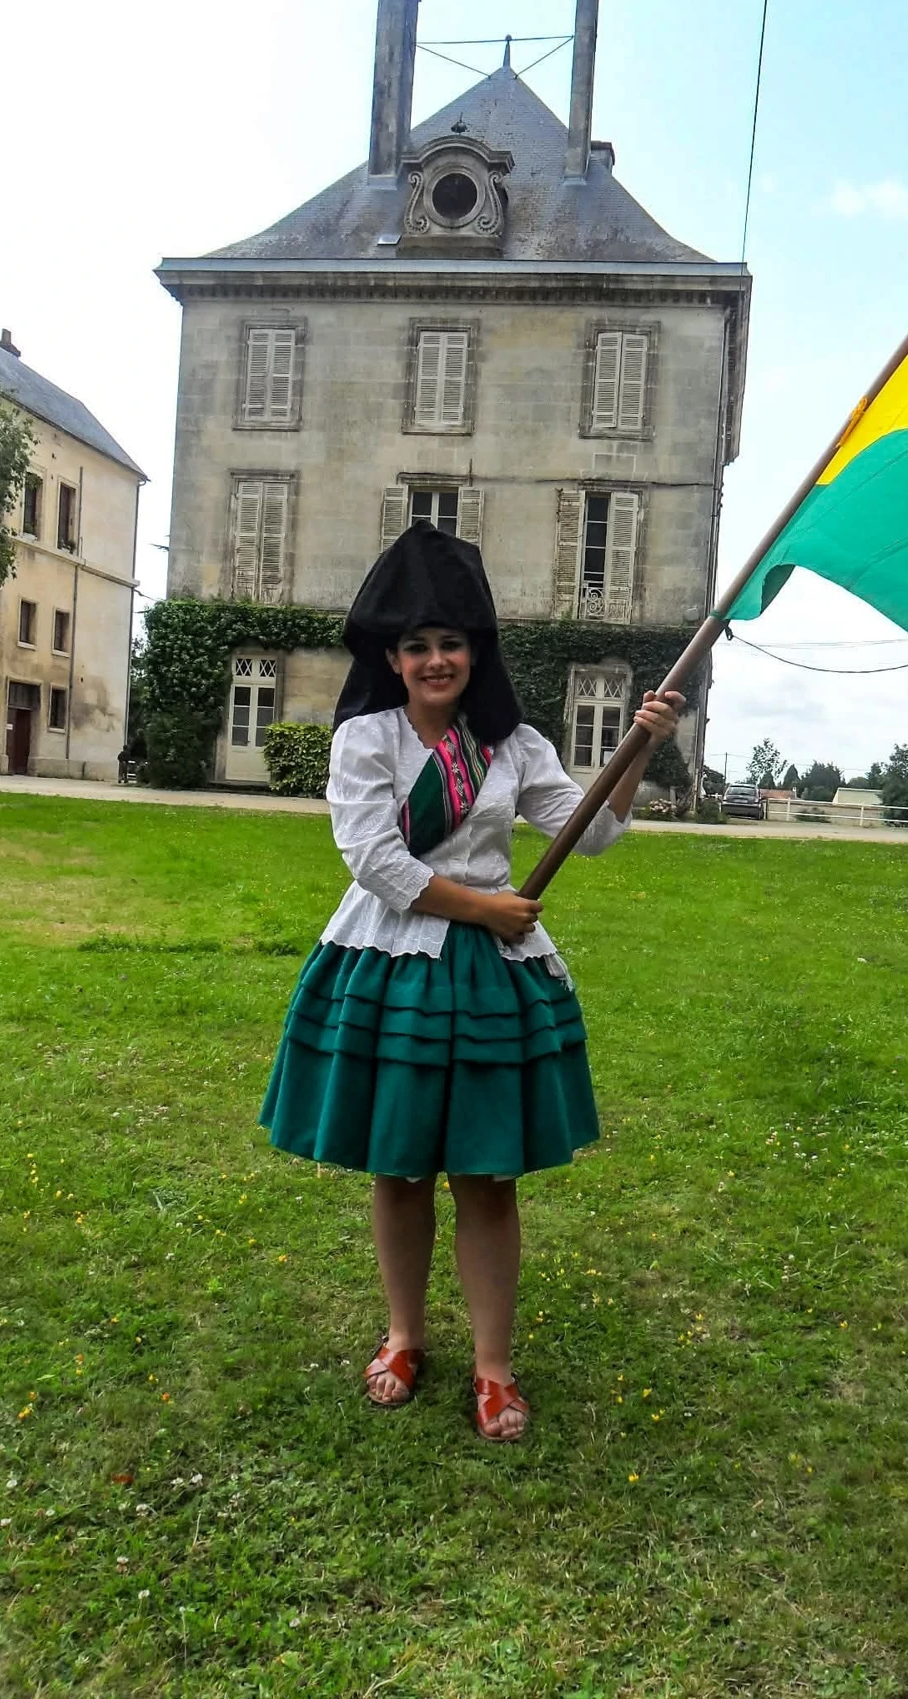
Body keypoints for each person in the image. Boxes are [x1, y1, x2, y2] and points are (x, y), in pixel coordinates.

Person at [259, 525, 682, 1443]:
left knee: (489, 1176)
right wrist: (486, 910)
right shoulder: (365, 740)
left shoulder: (515, 744)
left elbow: (593, 832)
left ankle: (493, 1366)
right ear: (392, 656)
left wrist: (640, 748)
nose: (436, 659)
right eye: (418, 645)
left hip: (491, 982)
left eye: (452, 642)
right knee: (400, 1163)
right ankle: (405, 1336)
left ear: (475, 651)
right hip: (393, 960)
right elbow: (373, 858)